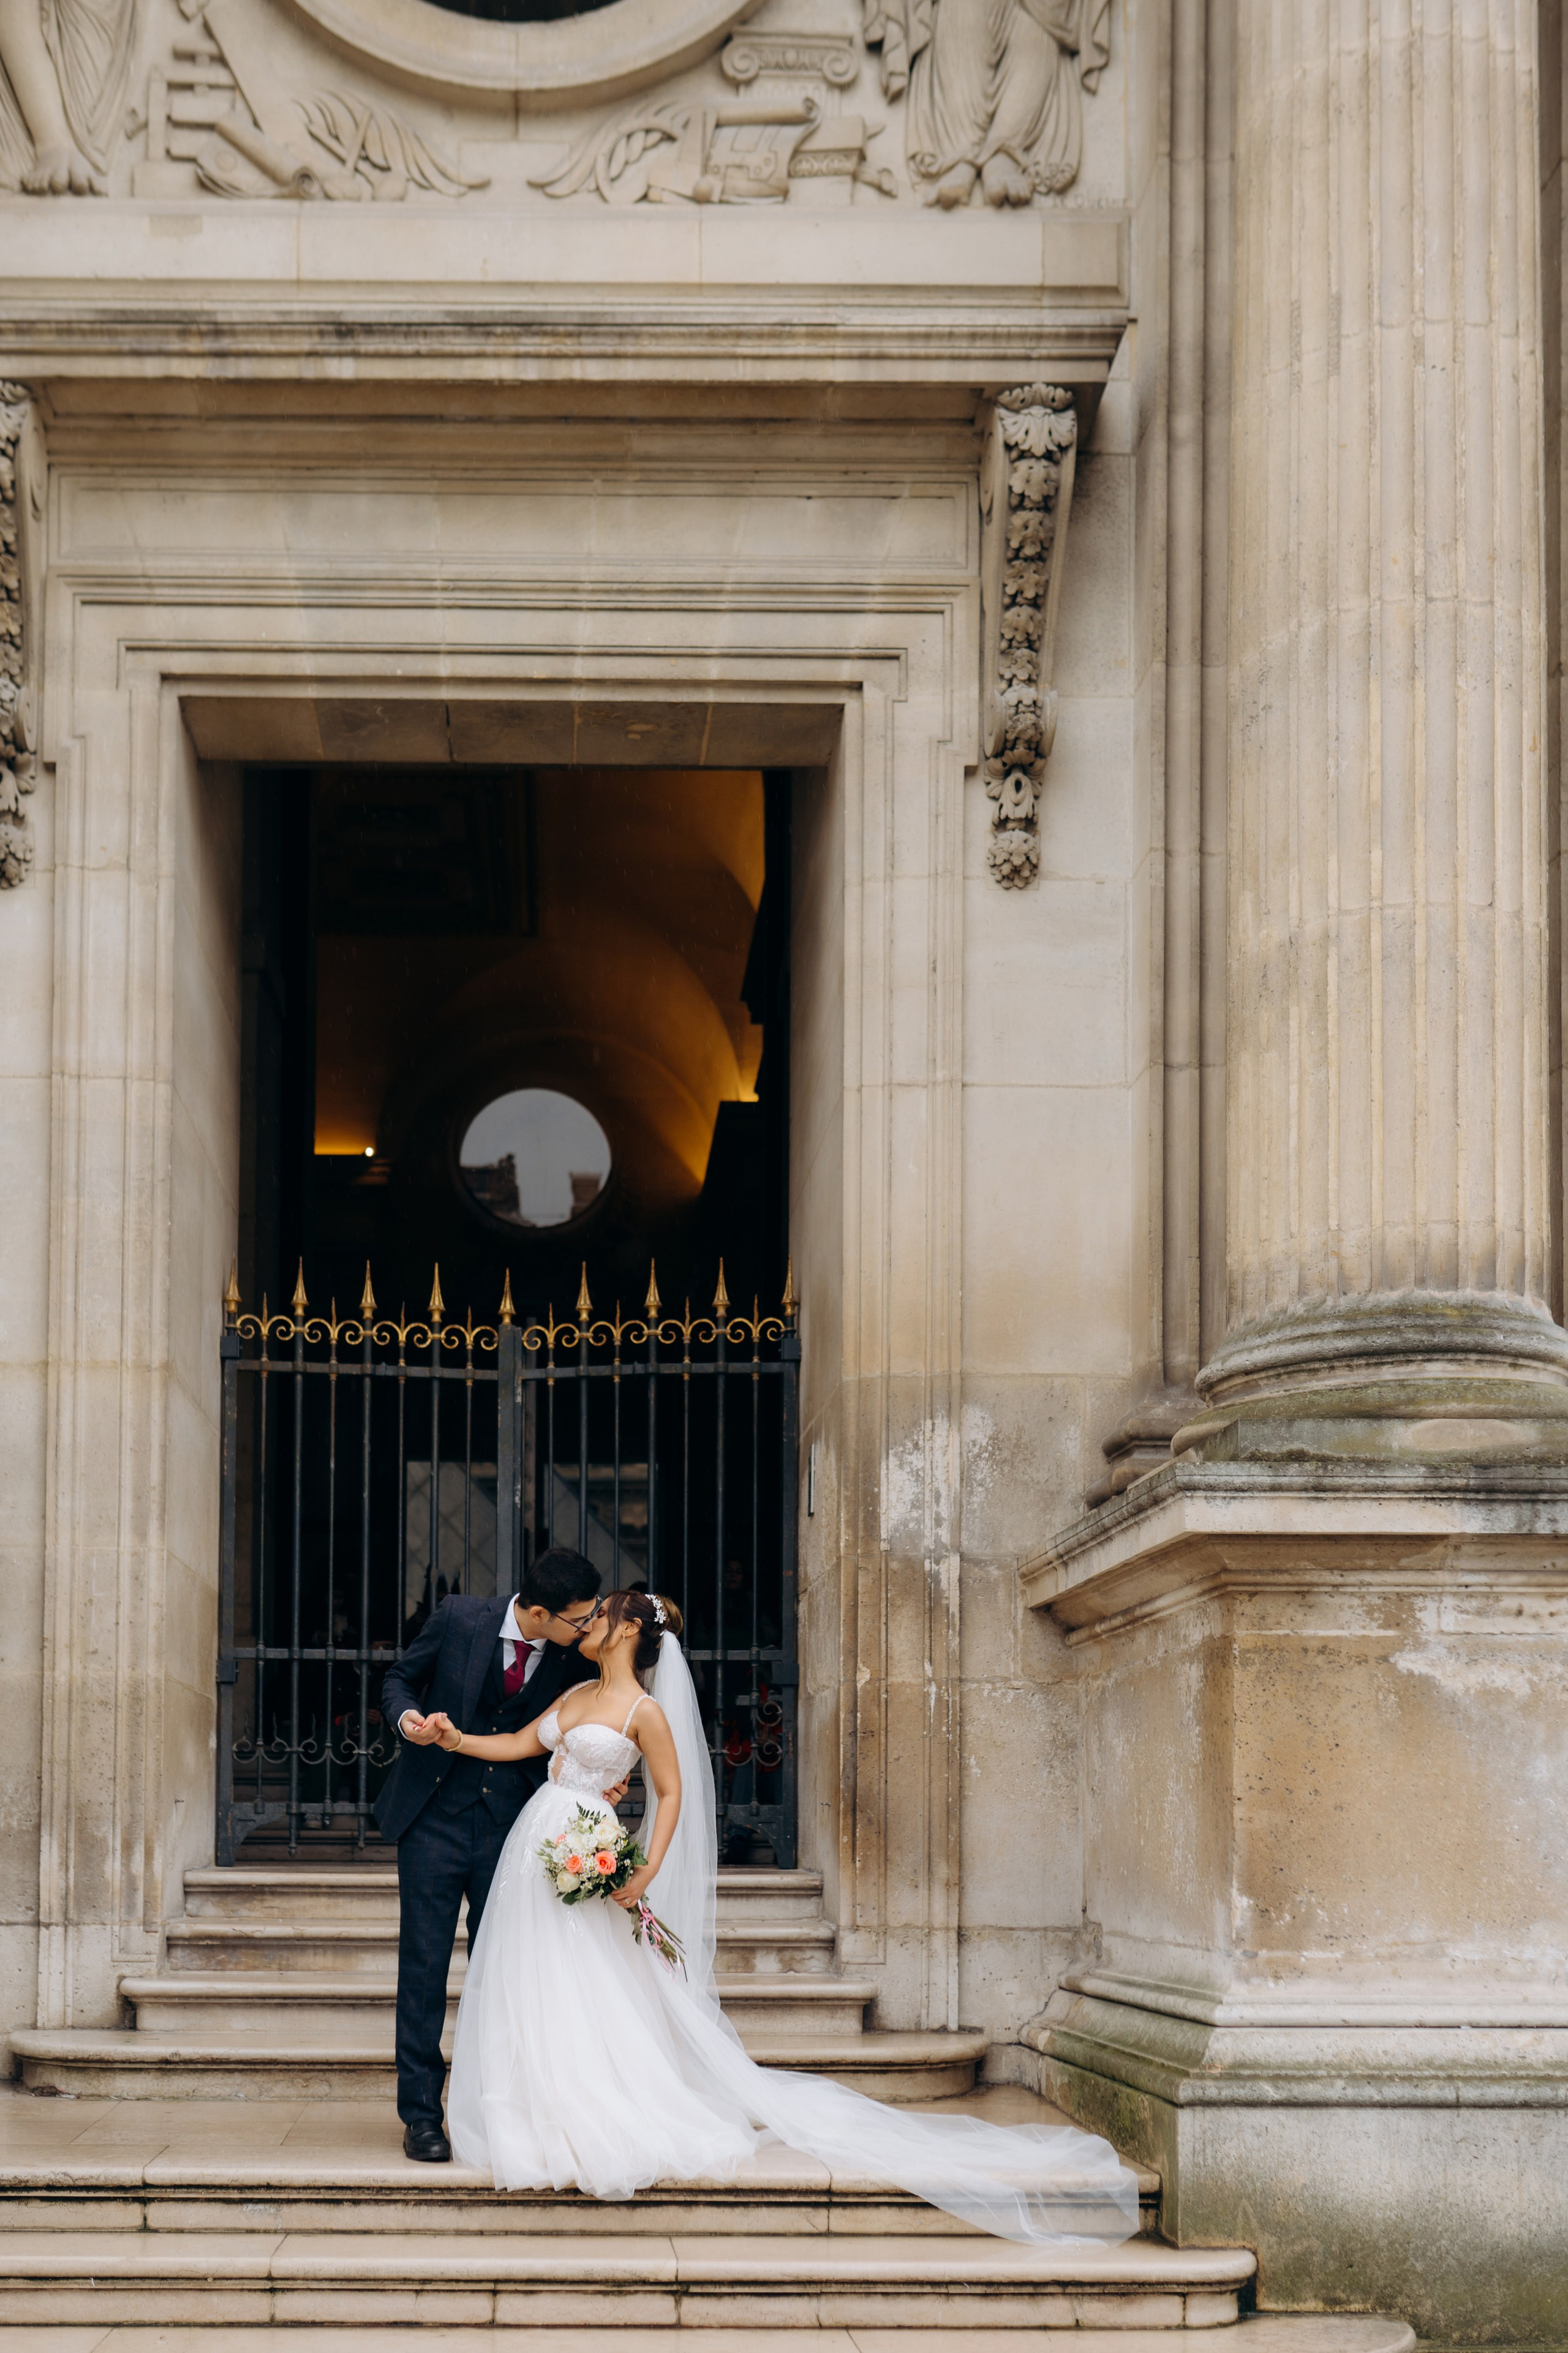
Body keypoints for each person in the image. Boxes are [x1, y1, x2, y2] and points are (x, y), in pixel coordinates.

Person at [424, 1588, 1140, 2245]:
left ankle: (586, 2112)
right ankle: (533, 2106)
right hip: (536, 1854)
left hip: (587, 1850)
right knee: (534, 1980)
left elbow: (670, 1795)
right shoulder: (576, 1691)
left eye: (600, 1614)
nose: (587, 1623)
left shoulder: (644, 1712)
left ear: (629, 1627)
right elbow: (519, 1745)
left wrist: (642, 1867)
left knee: (585, 1984)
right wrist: (454, 1739)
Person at [375, 1547, 612, 2162]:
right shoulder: (458, 1617)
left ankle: (492, 2109)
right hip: (431, 1821)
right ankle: (422, 2116)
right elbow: (398, 1678)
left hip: (513, 1831)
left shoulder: (567, 1655)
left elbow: (580, 1726)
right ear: (539, 1612)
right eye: (578, 1619)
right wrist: (408, 1719)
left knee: (503, 1974)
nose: (586, 1628)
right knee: (423, 1971)